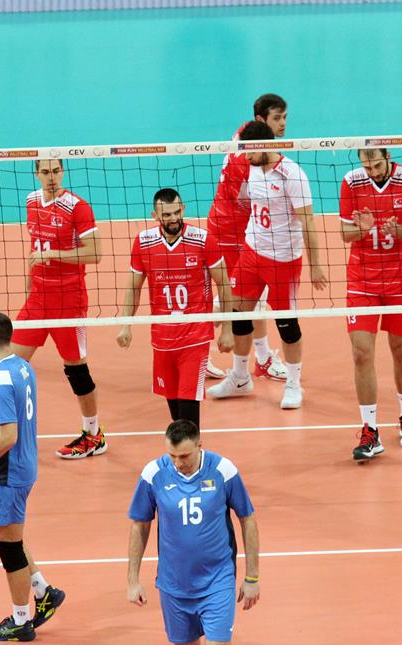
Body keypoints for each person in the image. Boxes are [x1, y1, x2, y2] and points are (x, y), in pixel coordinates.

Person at [127, 418, 261, 645]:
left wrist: (252, 577)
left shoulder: (223, 470)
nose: (178, 463)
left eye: (185, 456)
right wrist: (132, 580)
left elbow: (248, 518)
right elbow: (139, 525)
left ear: (200, 446)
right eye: (172, 456)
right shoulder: (153, 474)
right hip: (174, 584)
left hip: (217, 580)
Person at [206, 121, 327, 410]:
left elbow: (308, 222)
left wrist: (316, 265)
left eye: (250, 152)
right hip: (252, 251)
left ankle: (293, 383)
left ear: (264, 146)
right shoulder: (252, 169)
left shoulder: (292, 174)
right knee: (239, 313)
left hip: (283, 259)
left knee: (287, 324)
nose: (246, 158)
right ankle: (240, 377)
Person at [0, 312, 65, 641]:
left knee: (9, 548)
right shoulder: (22, 366)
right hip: (19, 466)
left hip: (9, 472)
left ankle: (21, 621)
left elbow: (8, 436)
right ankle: (43, 590)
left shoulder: (0, 380)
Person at [9, 158, 106, 460]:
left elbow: (95, 253)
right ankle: (10, 433)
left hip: (68, 300)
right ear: (36, 173)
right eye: (45, 172)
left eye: (55, 171)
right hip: (38, 299)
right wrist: (29, 285)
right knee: (9, 365)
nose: (51, 177)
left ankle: (93, 435)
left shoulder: (78, 207)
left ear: (62, 172)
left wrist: (54, 253)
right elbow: (34, 248)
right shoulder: (31, 201)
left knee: (75, 369)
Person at [338, 147, 402, 460]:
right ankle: (369, 430)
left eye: (376, 165)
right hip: (362, 282)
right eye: (367, 166)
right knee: (361, 352)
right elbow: (344, 234)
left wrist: (396, 230)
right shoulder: (351, 182)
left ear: (387, 156)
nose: (372, 172)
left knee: (401, 350)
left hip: (401, 282)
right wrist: (360, 230)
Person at [118, 189, 235, 425]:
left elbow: (223, 284)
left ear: (183, 209)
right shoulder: (143, 242)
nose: (173, 219)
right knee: (176, 414)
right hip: (162, 338)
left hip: (195, 336)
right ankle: (187, 447)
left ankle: (193, 448)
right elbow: (133, 287)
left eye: (176, 212)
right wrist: (125, 325)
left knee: (188, 409)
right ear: (155, 215)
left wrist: (228, 330)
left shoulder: (203, 240)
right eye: (166, 215)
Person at [204, 93, 292, 382]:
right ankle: (198, 350)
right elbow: (253, 201)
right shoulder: (248, 163)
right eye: (276, 119)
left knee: (253, 297)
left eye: (284, 117)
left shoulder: (247, 133)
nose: (283, 124)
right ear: (260, 120)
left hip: (240, 230)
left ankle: (263, 359)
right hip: (230, 234)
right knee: (236, 300)